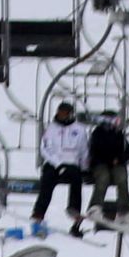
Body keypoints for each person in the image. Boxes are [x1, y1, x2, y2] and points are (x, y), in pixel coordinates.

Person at [32, 100, 88, 235]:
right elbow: (45, 149)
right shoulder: (51, 129)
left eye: (64, 113)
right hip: (54, 163)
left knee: (76, 178)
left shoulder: (79, 129)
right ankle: (39, 213)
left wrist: (84, 166)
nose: (61, 115)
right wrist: (58, 163)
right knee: (47, 180)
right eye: (60, 112)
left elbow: (83, 150)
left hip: (72, 163)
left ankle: (74, 210)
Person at [85, 112, 129, 225]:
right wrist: (109, 160)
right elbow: (94, 152)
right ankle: (95, 206)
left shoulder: (118, 134)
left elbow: (128, 152)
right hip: (100, 163)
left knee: (121, 177)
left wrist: (119, 159)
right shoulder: (97, 133)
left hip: (116, 164)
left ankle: (123, 210)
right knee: (103, 177)